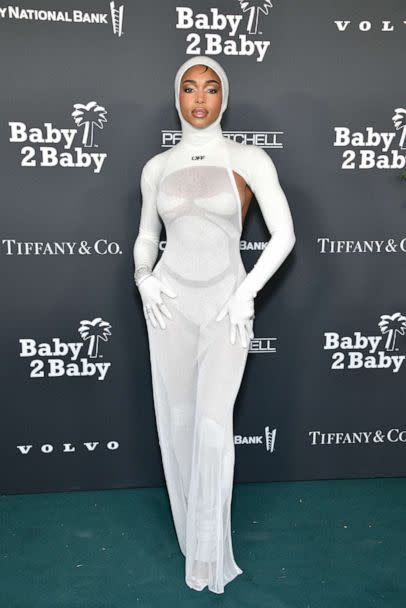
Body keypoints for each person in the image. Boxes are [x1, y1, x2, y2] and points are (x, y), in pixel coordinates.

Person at [133, 56, 296, 593]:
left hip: (228, 305)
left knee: (211, 424)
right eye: (188, 88)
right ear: (176, 97)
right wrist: (143, 277)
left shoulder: (250, 158)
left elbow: (284, 236)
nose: (199, 98)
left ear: (223, 97)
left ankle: (208, 552)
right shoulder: (156, 167)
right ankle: (190, 534)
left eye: (209, 88)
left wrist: (247, 293)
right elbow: (146, 233)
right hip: (170, 304)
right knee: (178, 422)